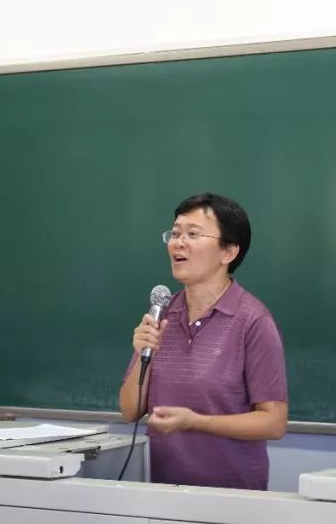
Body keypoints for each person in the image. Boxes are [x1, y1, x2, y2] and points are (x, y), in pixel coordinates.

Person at [118, 193, 288, 490]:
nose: (178, 243)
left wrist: (196, 422)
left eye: (193, 234)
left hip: (232, 497)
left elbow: (273, 423)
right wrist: (145, 353)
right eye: (175, 234)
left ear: (228, 252)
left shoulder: (253, 321)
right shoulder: (162, 313)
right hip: (163, 492)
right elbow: (130, 410)